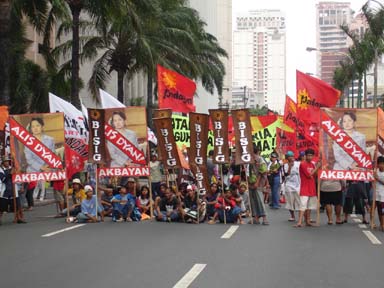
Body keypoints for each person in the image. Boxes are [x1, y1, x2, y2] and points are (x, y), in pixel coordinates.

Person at [295, 149, 321, 228]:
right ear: (305, 156)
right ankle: (299, 221)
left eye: (311, 155)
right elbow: (309, 175)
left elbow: (315, 175)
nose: (310, 157)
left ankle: (308, 221)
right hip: (305, 188)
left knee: (310, 206)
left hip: (311, 187)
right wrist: (317, 167)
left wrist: (318, 168)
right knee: (303, 205)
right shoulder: (303, 164)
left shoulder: (312, 165)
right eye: (308, 155)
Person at [0, 156, 26, 224]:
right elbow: (4, 180)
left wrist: (21, 186)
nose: (7, 162)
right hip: (4, 190)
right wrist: (10, 173)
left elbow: (18, 178)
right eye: (6, 161)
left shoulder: (13, 169)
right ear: (3, 163)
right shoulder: (1, 170)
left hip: (13, 189)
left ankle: (18, 218)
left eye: (8, 161)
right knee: (2, 207)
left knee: (17, 206)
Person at [283, 151, 301, 222]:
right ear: (287, 158)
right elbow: (286, 174)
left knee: (300, 201)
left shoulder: (298, 164)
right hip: (289, 185)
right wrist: (290, 166)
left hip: (297, 184)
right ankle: (292, 216)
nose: (291, 158)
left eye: (292, 156)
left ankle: (301, 216)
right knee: (290, 201)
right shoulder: (285, 165)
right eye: (290, 156)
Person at [374, 156, 384, 231]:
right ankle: (381, 224)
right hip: (376, 193)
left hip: (383, 194)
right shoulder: (375, 171)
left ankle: (383, 224)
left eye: (382, 164)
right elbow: (372, 181)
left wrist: (378, 179)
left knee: (383, 209)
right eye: (379, 164)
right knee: (379, 210)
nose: (381, 165)